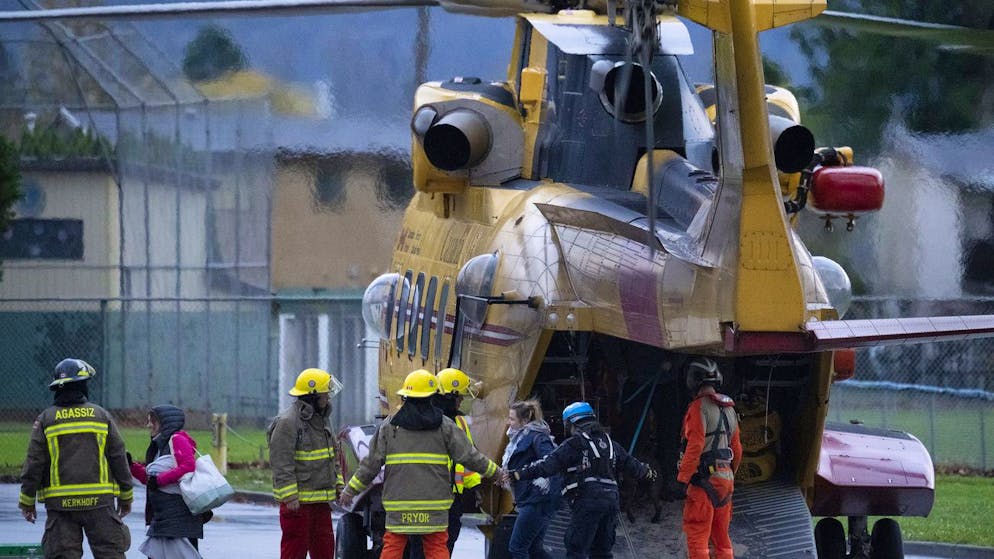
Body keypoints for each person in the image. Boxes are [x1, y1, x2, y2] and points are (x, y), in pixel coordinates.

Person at [339, 369, 502, 559]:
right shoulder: (445, 426)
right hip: (434, 505)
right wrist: (497, 473)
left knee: (393, 544)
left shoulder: (390, 427)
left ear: (406, 397)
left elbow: (370, 466)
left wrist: (350, 490)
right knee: (436, 546)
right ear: (432, 397)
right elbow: (471, 457)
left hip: (399, 505)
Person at [503, 401, 656, 559]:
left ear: (572, 423)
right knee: (602, 552)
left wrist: (518, 474)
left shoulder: (574, 444)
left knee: (577, 551)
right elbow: (633, 465)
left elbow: (547, 465)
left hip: (587, 502)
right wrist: (649, 473)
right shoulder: (611, 444)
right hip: (611, 502)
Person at [18, 358, 133, 558]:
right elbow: (118, 456)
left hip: (60, 506)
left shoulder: (46, 419)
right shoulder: (101, 415)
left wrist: (27, 501)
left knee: (62, 555)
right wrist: (126, 496)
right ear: (83, 385)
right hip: (100, 504)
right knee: (110, 553)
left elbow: (34, 462)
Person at [268, 368, 345, 559]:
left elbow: (332, 456)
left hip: (321, 502)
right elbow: (281, 463)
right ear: (313, 396)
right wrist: (290, 497)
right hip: (298, 504)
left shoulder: (323, 419)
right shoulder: (287, 422)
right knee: (294, 552)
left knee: (325, 551)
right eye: (325, 394)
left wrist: (338, 484)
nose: (328, 398)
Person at [677, 358, 742, 559]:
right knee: (722, 538)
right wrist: (730, 474)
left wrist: (683, 478)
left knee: (697, 534)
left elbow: (695, 446)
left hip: (704, 481)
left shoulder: (697, 407)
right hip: (726, 480)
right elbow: (737, 449)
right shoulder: (730, 409)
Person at [129, 404, 205, 558]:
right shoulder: (159, 445)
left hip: (178, 519)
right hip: (163, 518)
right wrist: (131, 466)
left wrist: (159, 480)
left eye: (152, 421)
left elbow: (188, 466)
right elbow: (151, 480)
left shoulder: (177, 439)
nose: (149, 425)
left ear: (165, 422)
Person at [501, 399, 561, 559]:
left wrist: (519, 474)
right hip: (535, 499)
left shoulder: (537, 438)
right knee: (534, 549)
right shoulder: (522, 438)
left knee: (517, 548)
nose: (508, 422)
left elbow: (551, 463)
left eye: (512, 419)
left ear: (525, 420)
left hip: (536, 500)